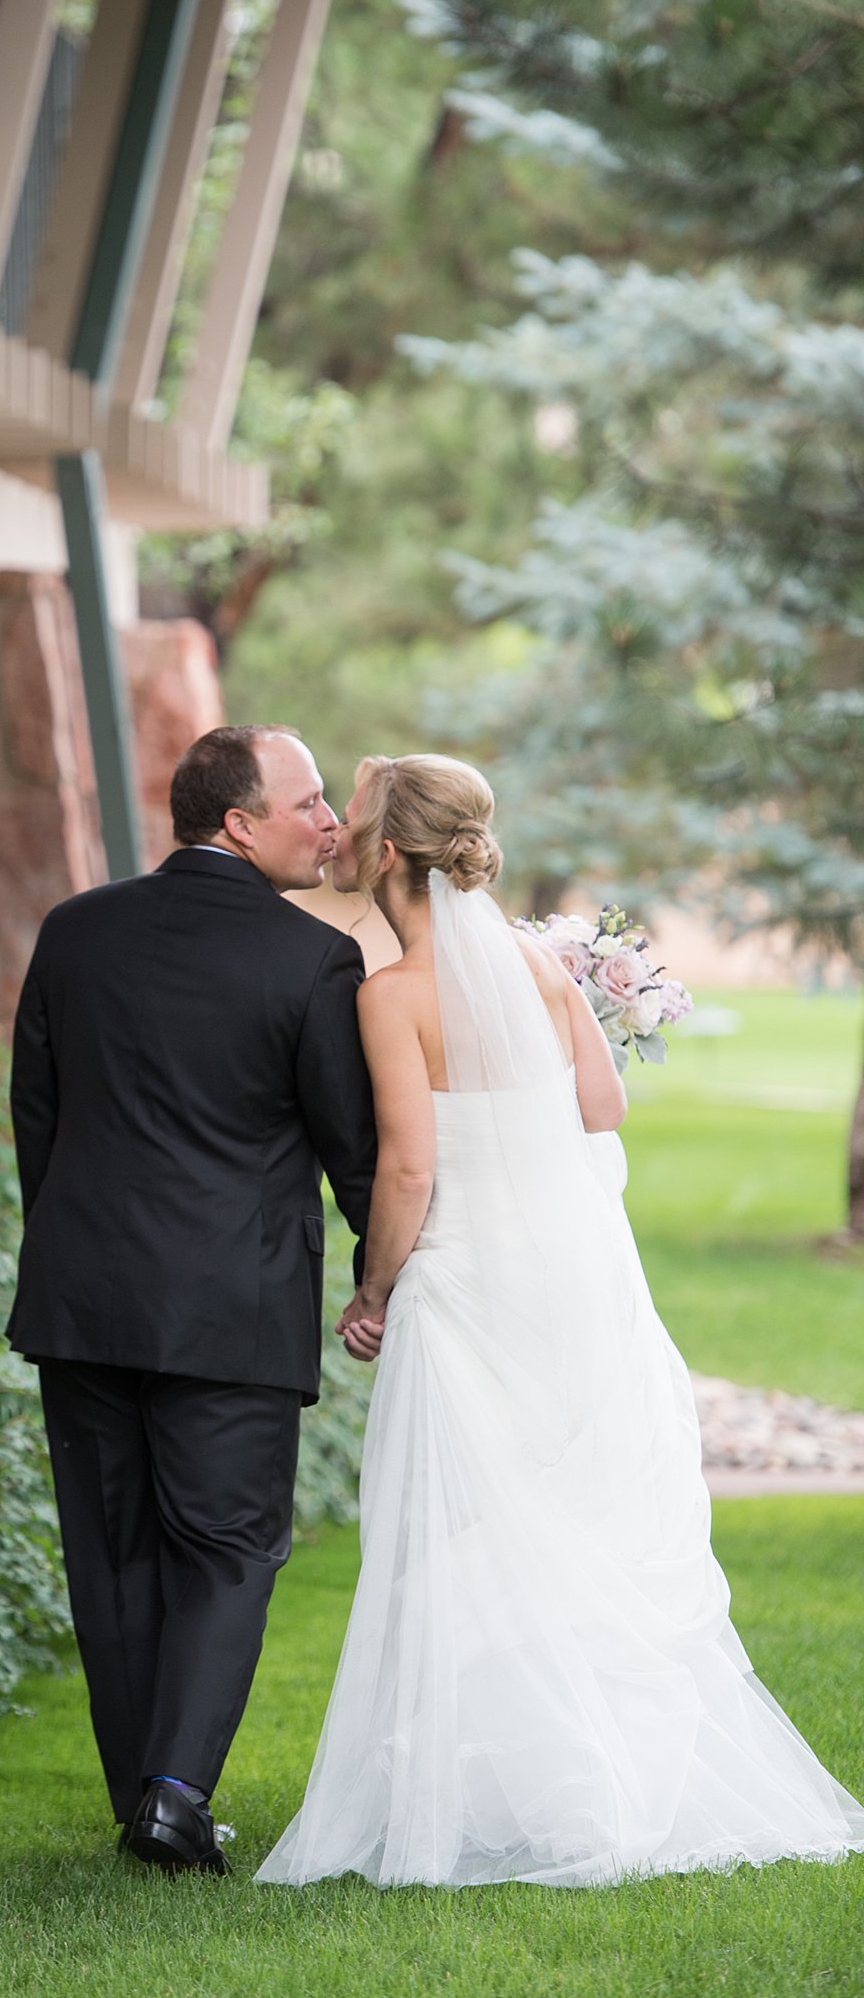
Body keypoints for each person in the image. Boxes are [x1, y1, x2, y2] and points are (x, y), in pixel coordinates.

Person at [258, 753, 864, 1889]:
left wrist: (373, 1288)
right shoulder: (536, 962)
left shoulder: (386, 995)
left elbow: (404, 1171)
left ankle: (490, 1784)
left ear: (385, 855)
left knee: (464, 1538)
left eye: (354, 820)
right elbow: (602, 1104)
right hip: (576, 1274)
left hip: (465, 1286)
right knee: (577, 1517)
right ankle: (589, 1773)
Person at [8, 725, 377, 1874]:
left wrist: (72, 1245)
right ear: (237, 823)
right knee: (226, 1549)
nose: (329, 823)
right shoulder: (311, 960)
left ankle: (149, 1802)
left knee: (111, 1554)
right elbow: (350, 1150)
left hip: (83, 1300)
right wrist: (391, 1266)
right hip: (231, 1307)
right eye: (308, 802)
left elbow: (38, 1116)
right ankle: (173, 1796)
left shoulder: (73, 929)